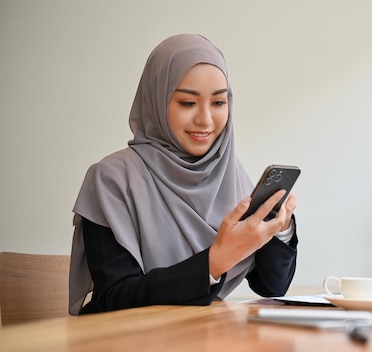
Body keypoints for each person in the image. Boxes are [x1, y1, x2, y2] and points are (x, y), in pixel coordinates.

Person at [68, 34, 298, 315]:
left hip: (207, 336)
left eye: (218, 103)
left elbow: (271, 286)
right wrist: (213, 263)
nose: (205, 119)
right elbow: (114, 298)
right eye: (188, 103)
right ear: (156, 101)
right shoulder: (111, 179)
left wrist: (280, 229)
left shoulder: (229, 172)